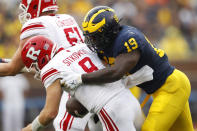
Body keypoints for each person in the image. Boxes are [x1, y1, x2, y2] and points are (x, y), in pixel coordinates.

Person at [63, 6, 194, 131]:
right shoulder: (105, 46)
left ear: (109, 31)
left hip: (171, 87)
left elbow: (116, 72)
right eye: (90, 36)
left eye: (95, 36)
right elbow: (101, 75)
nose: (92, 41)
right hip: (160, 89)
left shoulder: (128, 38)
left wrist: (81, 79)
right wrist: (81, 100)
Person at [0, 0, 91, 130]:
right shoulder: (68, 18)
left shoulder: (35, 24)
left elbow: (12, 68)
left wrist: (30, 128)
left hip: (75, 86)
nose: (24, 12)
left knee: (63, 125)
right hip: (91, 74)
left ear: (35, 6)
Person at [21, 35, 144, 131]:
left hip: (112, 110)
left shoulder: (50, 69)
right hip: (129, 98)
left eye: (35, 65)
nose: (37, 70)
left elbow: (50, 112)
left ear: (42, 59)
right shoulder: (81, 47)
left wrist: (32, 128)